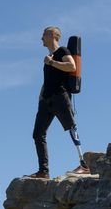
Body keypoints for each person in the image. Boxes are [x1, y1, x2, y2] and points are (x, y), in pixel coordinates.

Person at [25, 26, 90, 179]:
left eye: (44, 34)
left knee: (71, 127)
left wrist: (52, 62)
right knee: (38, 134)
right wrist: (41, 95)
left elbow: (71, 66)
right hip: (46, 99)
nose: (41, 38)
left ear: (53, 35)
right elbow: (47, 80)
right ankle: (43, 171)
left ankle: (84, 165)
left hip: (60, 96)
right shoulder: (49, 56)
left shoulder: (62, 51)